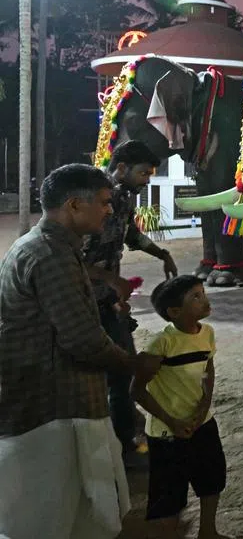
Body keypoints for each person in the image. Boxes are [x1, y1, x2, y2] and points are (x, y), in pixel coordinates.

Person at [0, 165, 133, 539]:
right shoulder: (49, 255)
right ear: (75, 205)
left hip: (52, 401)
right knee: (50, 516)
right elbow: (82, 339)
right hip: (52, 408)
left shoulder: (53, 247)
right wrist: (133, 364)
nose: (110, 210)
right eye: (105, 203)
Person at [84, 140, 179, 465]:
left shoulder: (121, 200)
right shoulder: (93, 198)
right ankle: (121, 444)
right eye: (142, 173)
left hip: (108, 302)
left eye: (150, 175)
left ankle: (124, 433)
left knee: (125, 368)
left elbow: (130, 235)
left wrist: (162, 253)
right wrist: (111, 280)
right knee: (111, 372)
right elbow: (69, 258)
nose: (146, 180)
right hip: (80, 304)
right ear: (121, 168)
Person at [132, 276, 231, 539]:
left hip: (202, 423)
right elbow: (137, 390)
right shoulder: (161, 344)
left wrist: (204, 407)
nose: (205, 300)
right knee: (170, 495)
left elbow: (208, 369)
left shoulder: (207, 333)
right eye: (195, 297)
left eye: (203, 293)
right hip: (168, 433)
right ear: (174, 312)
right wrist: (172, 422)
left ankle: (208, 532)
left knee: (211, 480)